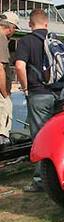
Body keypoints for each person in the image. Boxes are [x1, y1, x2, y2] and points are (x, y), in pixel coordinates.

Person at [15, 9, 64, 192]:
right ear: (47, 24)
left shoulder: (26, 42)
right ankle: (63, 175)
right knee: (62, 135)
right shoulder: (59, 41)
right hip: (60, 95)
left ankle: (41, 180)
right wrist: (63, 83)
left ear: (30, 24)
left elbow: (19, 65)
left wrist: (25, 87)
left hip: (38, 94)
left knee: (41, 137)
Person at [0, 12, 19, 148]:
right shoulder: (1, 39)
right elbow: (0, 69)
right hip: (0, 92)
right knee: (3, 125)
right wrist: (5, 94)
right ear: (11, 27)